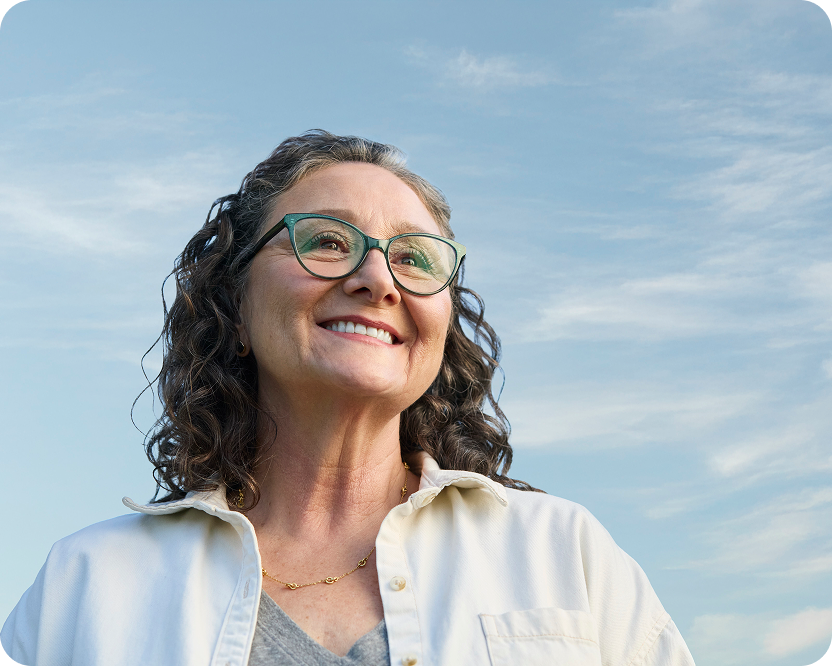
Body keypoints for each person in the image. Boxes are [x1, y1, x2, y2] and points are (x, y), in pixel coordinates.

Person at [1, 130, 696, 666]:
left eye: (416, 257)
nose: (378, 278)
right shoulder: (84, 585)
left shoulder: (565, 552)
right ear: (234, 307)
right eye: (327, 242)